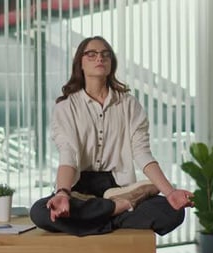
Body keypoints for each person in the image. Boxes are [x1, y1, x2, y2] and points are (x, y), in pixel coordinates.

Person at [30, 36, 194, 237]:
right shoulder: (66, 107)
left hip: (118, 186)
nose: (99, 58)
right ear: (80, 62)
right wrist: (62, 193)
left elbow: (142, 153)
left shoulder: (129, 104)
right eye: (91, 54)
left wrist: (171, 193)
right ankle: (117, 210)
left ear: (111, 64)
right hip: (79, 189)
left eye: (105, 55)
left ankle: (101, 214)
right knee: (40, 212)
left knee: (172, 212)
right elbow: (68, 154)